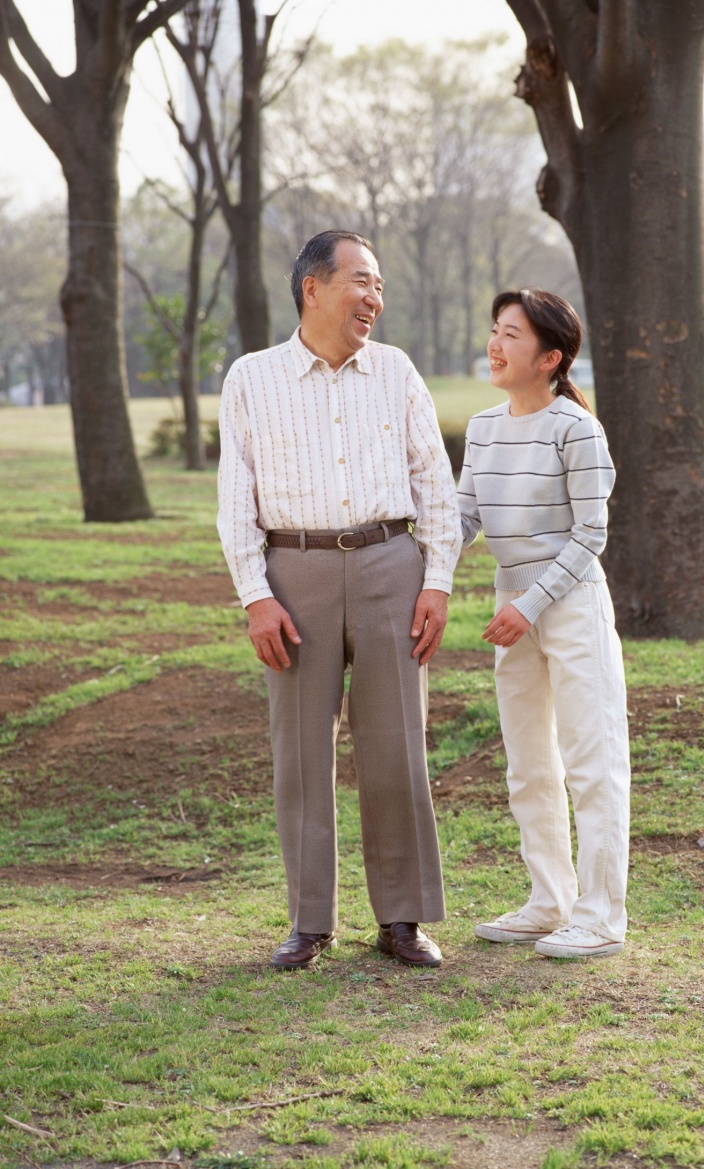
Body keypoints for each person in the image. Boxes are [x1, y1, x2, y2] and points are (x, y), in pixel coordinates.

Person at [217, 230, 461, 971]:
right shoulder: (251, 379)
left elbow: (434, 485)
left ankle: (402, 918)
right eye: (362, 281)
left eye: (380, 285)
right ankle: (308, 920)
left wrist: (439, 580)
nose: (374, 298)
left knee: (398, 750)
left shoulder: (396, 371)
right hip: (295, 575)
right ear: (312, 288)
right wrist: (256, 596)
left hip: (393, 566)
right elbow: (235, 499)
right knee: (299, 753)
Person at [457, 287, 630, 959]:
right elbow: (463, 516)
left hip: (571, 605)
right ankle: (548, 900)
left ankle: (601, 915)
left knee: (593, 762)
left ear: (550, 357)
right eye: (494, 330)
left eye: (511, 335)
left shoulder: (576, 429)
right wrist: (426, 570)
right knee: (528, 764)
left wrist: (529, 605)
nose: (495, 345)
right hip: (511, 607)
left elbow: (591, 534)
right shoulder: (482, 427)